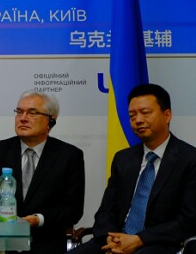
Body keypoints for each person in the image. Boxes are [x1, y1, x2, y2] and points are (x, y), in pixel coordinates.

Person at [70, 83, 196, 254]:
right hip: (115, 240)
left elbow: (188, 219)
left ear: (167, 115)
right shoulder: (123, 159)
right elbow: (106, 211)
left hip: (158, 243)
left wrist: (139, 239)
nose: (138, 120)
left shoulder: (189, 159)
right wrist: (111, 239)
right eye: (132, 115)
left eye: (145, 113)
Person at [0, 91, 85, 253]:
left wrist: (38, 220)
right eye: (19, 112)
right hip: (2, 243)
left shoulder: (69, 156)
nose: (23, 118)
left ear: (51, 120)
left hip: (45, 243)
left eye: (32, 113)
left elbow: (73, 210)